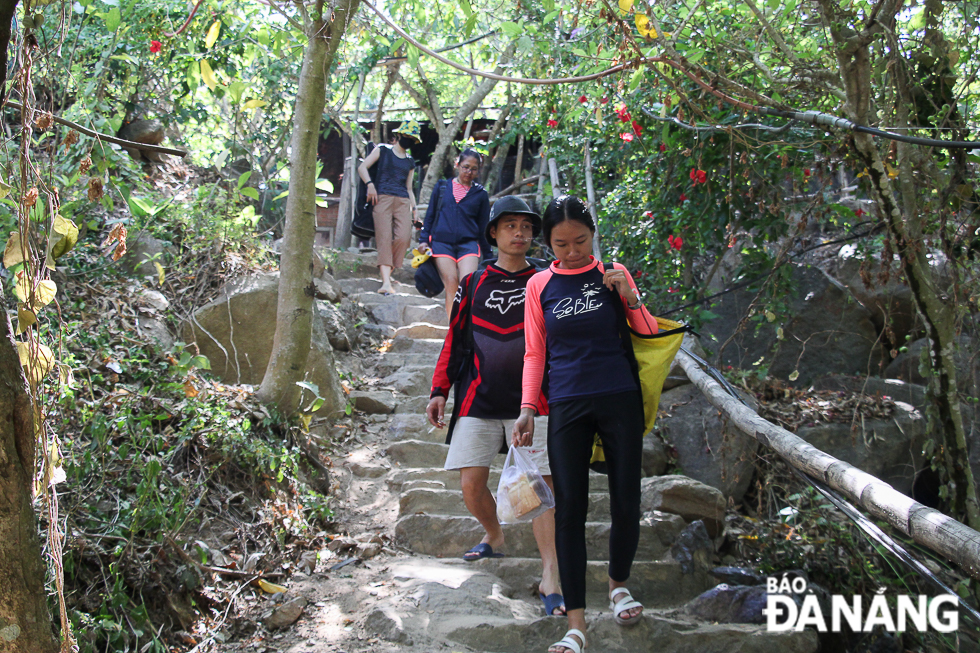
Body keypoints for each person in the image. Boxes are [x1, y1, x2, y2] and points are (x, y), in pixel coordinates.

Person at [511, 195, 659, 653]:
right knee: (569, 510)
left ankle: (618, 586)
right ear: (547, 242)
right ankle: (576, 623)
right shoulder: (539, 285)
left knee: (625, 499)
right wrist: (528, 407)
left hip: (619, 398)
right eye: (560, 244)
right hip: (567, 403)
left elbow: (649, 334)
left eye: (580, 241)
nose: (572, 251)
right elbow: (535, 352)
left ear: (592, 234)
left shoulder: (613, 275)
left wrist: (630, 297)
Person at [426, 196, 565, 617]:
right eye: (510, 226)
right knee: (470, 483)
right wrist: (439, 389)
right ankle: (494, 535)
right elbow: (455, 339)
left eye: (526, 227)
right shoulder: (473, 282)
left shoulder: (546, 280)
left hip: (532, 401)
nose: (519, 233)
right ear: (494, 233)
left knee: (541, 489)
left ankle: (551, 574)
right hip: (478, 398)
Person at [419, 149, 491, 320]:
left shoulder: (481, 194)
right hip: (441, 243)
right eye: (466, 167)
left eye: (473, 169)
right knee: (451, 282)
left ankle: (467, 326)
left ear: (478, 171)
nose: (469, 172)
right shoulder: (442, 187)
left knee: (467, 284)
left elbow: (484, 228)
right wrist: (423, 240)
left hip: (469, 244)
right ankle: (455, 329)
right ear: (457, 165)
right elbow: (430, 216)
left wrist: (489, 256)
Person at [357, 121, 421, 295]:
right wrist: (370, 185)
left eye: (411, 138)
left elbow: (409, 188)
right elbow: (362, 167)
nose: (407, 140)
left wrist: (415, 210)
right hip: (382, 198)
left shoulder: (409, 161)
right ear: (399, 135)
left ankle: (388, 272)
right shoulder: (383, 150)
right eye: (406, 136)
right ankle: (386, 282)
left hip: (403, 201)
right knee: (384, 238)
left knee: (403, 238)